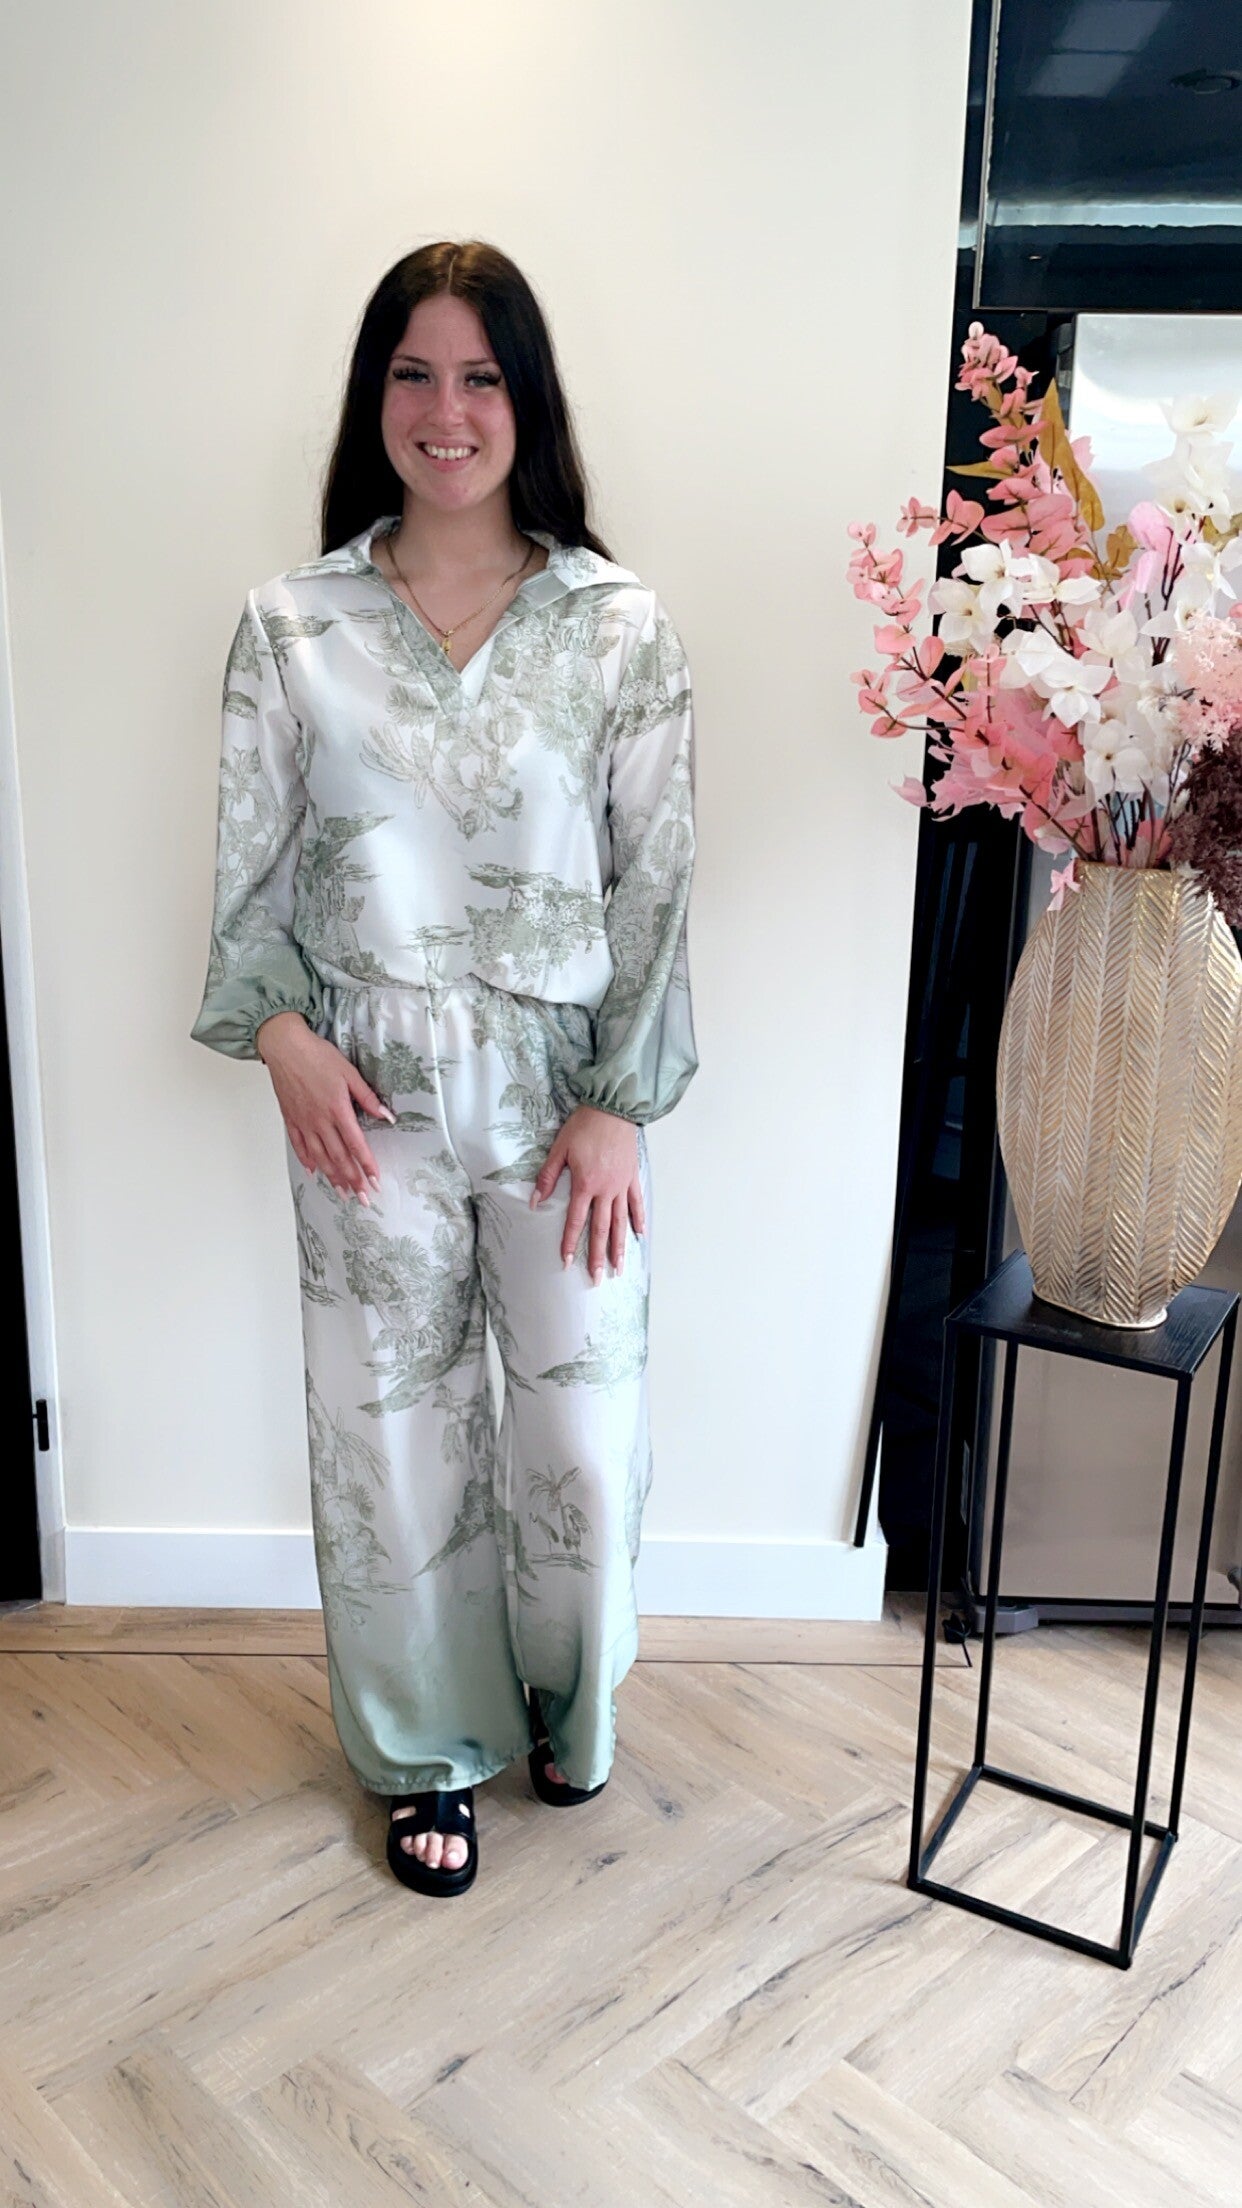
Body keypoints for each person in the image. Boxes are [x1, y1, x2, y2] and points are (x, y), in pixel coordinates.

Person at [191, 238, 699, 1898]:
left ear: (526, 398)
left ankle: (565, 1698)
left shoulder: (616, 625)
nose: (447, 409)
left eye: (481, 375)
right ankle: (426, 1749)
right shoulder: (294, 626)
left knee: (577, 1436)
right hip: (365, 1097)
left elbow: (656, 878)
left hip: (564, 1105)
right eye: (412, 373)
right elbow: (251, 875)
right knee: (392, 1437)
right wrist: (279, 1036)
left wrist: (620, 1101)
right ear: (374, 398)